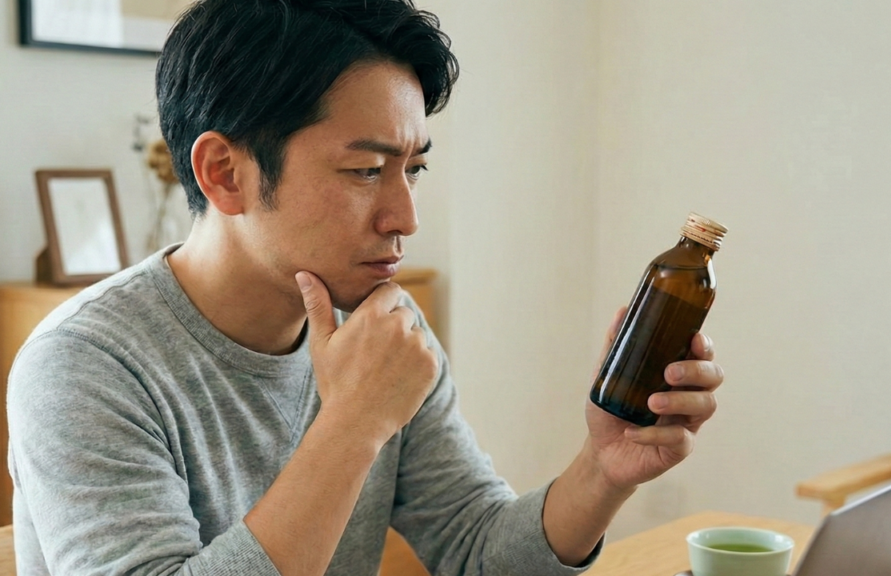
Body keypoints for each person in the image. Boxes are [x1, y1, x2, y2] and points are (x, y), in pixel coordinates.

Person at [6, 1, 724, 575]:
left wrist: (603, 470)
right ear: (224, 173)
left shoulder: (382, 330)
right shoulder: (84, 365)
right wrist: (352, 424)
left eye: (413, 170)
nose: (405, 217)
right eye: (365, 171)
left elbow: (478, 550)